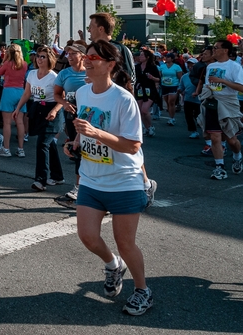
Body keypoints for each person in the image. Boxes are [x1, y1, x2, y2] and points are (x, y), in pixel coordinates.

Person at [73, 40, 153, 316]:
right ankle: (112, 265)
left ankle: (142, 290)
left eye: (94, 57)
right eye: (87, 56)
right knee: (87, 236)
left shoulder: (122, 99)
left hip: (123, 181)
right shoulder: (82, 92)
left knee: (126, 243)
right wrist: (75, 140)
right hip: (92, 179)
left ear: (110, 65)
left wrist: (96, 134)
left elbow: (133, 145)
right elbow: (85, 124)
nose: (88, 60)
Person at [14, 46, 65, 192]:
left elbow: (62, 98)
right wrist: (18, 109)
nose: (40, 59)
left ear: (50, 59)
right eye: (38, 56)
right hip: (38, 109)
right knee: (50, 144)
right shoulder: (31, 74)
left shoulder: (54, 77)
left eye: (43, 56)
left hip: (52, 110)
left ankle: (40, 180)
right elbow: (26, 93)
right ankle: (58, 176)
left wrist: (55, 111)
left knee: (42, 144)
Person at [197, 39, 243, 179]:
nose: (214, 50)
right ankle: (219, 167)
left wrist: (222, 81)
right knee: (215, 136)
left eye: (217, 48)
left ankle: (237, 156)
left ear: (225, 50)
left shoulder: (235, 67)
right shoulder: (211, 67)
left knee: (231, 139)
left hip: (229, 103)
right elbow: (208, 84)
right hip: (213, 102)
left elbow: (241, 88)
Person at [53, 41, 89, 207]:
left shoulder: (90, 73)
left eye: (73, 53)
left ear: (82, 55)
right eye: (68, 53)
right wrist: (65, 104)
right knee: (78, 151)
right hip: (71, 116)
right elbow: (57, 95)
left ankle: (93, 186)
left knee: (92, 151)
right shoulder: (64, 73)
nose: (69, 56)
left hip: (91, 117)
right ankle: (78, 186)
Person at [0, 43, 28, 157]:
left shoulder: (7, 63)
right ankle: (20, 149)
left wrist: (4, 59)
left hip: (8, 91)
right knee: (20, 122)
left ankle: (6, 148)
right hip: (20, 92)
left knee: (7, 123)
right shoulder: (24, 64)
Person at [134, 50, 160, 137]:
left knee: (145, 110)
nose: (140, 57)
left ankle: (151, 126)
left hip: (150, 90)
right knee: (140, 111)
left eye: (142, 55)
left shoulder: (152, 67)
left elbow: (158, 79)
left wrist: (152, 77)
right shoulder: (137, 67)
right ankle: (146, 127)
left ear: (147, 57)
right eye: (140, 55)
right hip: (140, 90)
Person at [178, 58, 201, 138]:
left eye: (192, 64)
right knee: (188, 116)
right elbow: (181, 86)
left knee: (198, 116)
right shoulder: (184, 76)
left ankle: (205, 132)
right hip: (188, 98)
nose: (190, 66)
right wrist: (180, 90)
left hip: (199, 100)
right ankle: (193, 131)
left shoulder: (201, 76)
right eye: (189, 64)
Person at [158, 53, 182, 126]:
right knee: (168, 102)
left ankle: (172, 118)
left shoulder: (177, 67)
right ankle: (170, 116)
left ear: (172, 59)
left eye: (168, 57)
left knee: (171, 101)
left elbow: (180, 77)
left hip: (174, 85)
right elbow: (159, 76)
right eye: (166, 57)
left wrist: (180, 86)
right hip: (164, 86)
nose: (166, 58)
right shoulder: (162, 66)